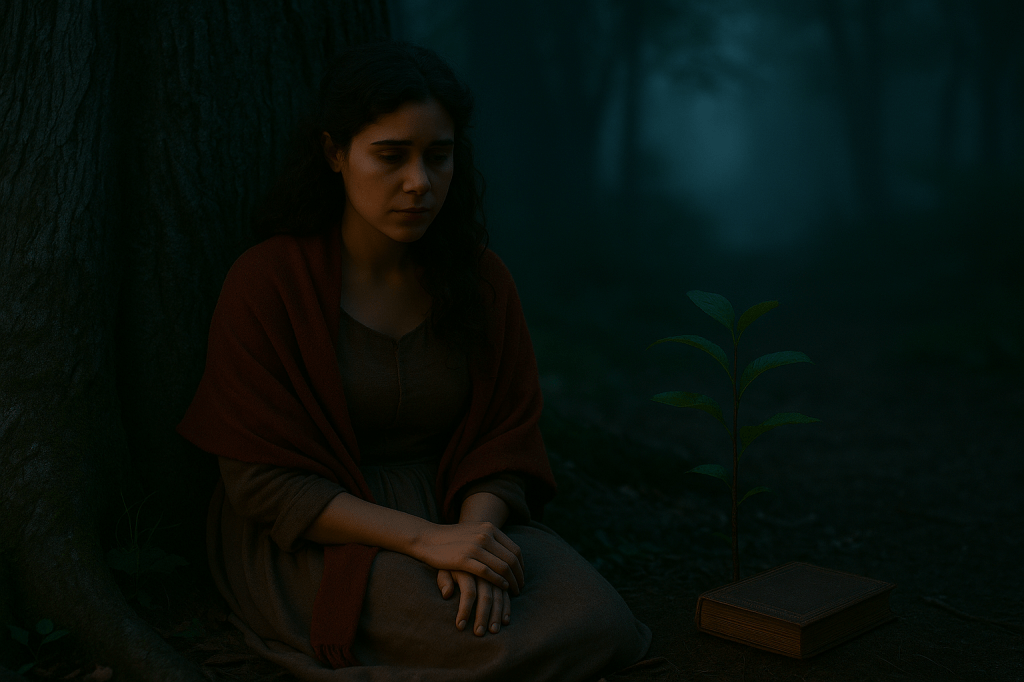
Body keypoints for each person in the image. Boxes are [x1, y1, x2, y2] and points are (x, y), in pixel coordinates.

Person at [177, 40, 651, 681]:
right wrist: (426, 542)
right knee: (480, 641)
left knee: (598, 617)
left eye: (439, 156)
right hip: (319, 528)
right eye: (390, 156)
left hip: (453, 506)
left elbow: (503, 440)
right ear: (335, 154)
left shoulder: (480, 282)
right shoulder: (267, 283)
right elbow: (262, 482)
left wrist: (473, 541)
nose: (419, 183)